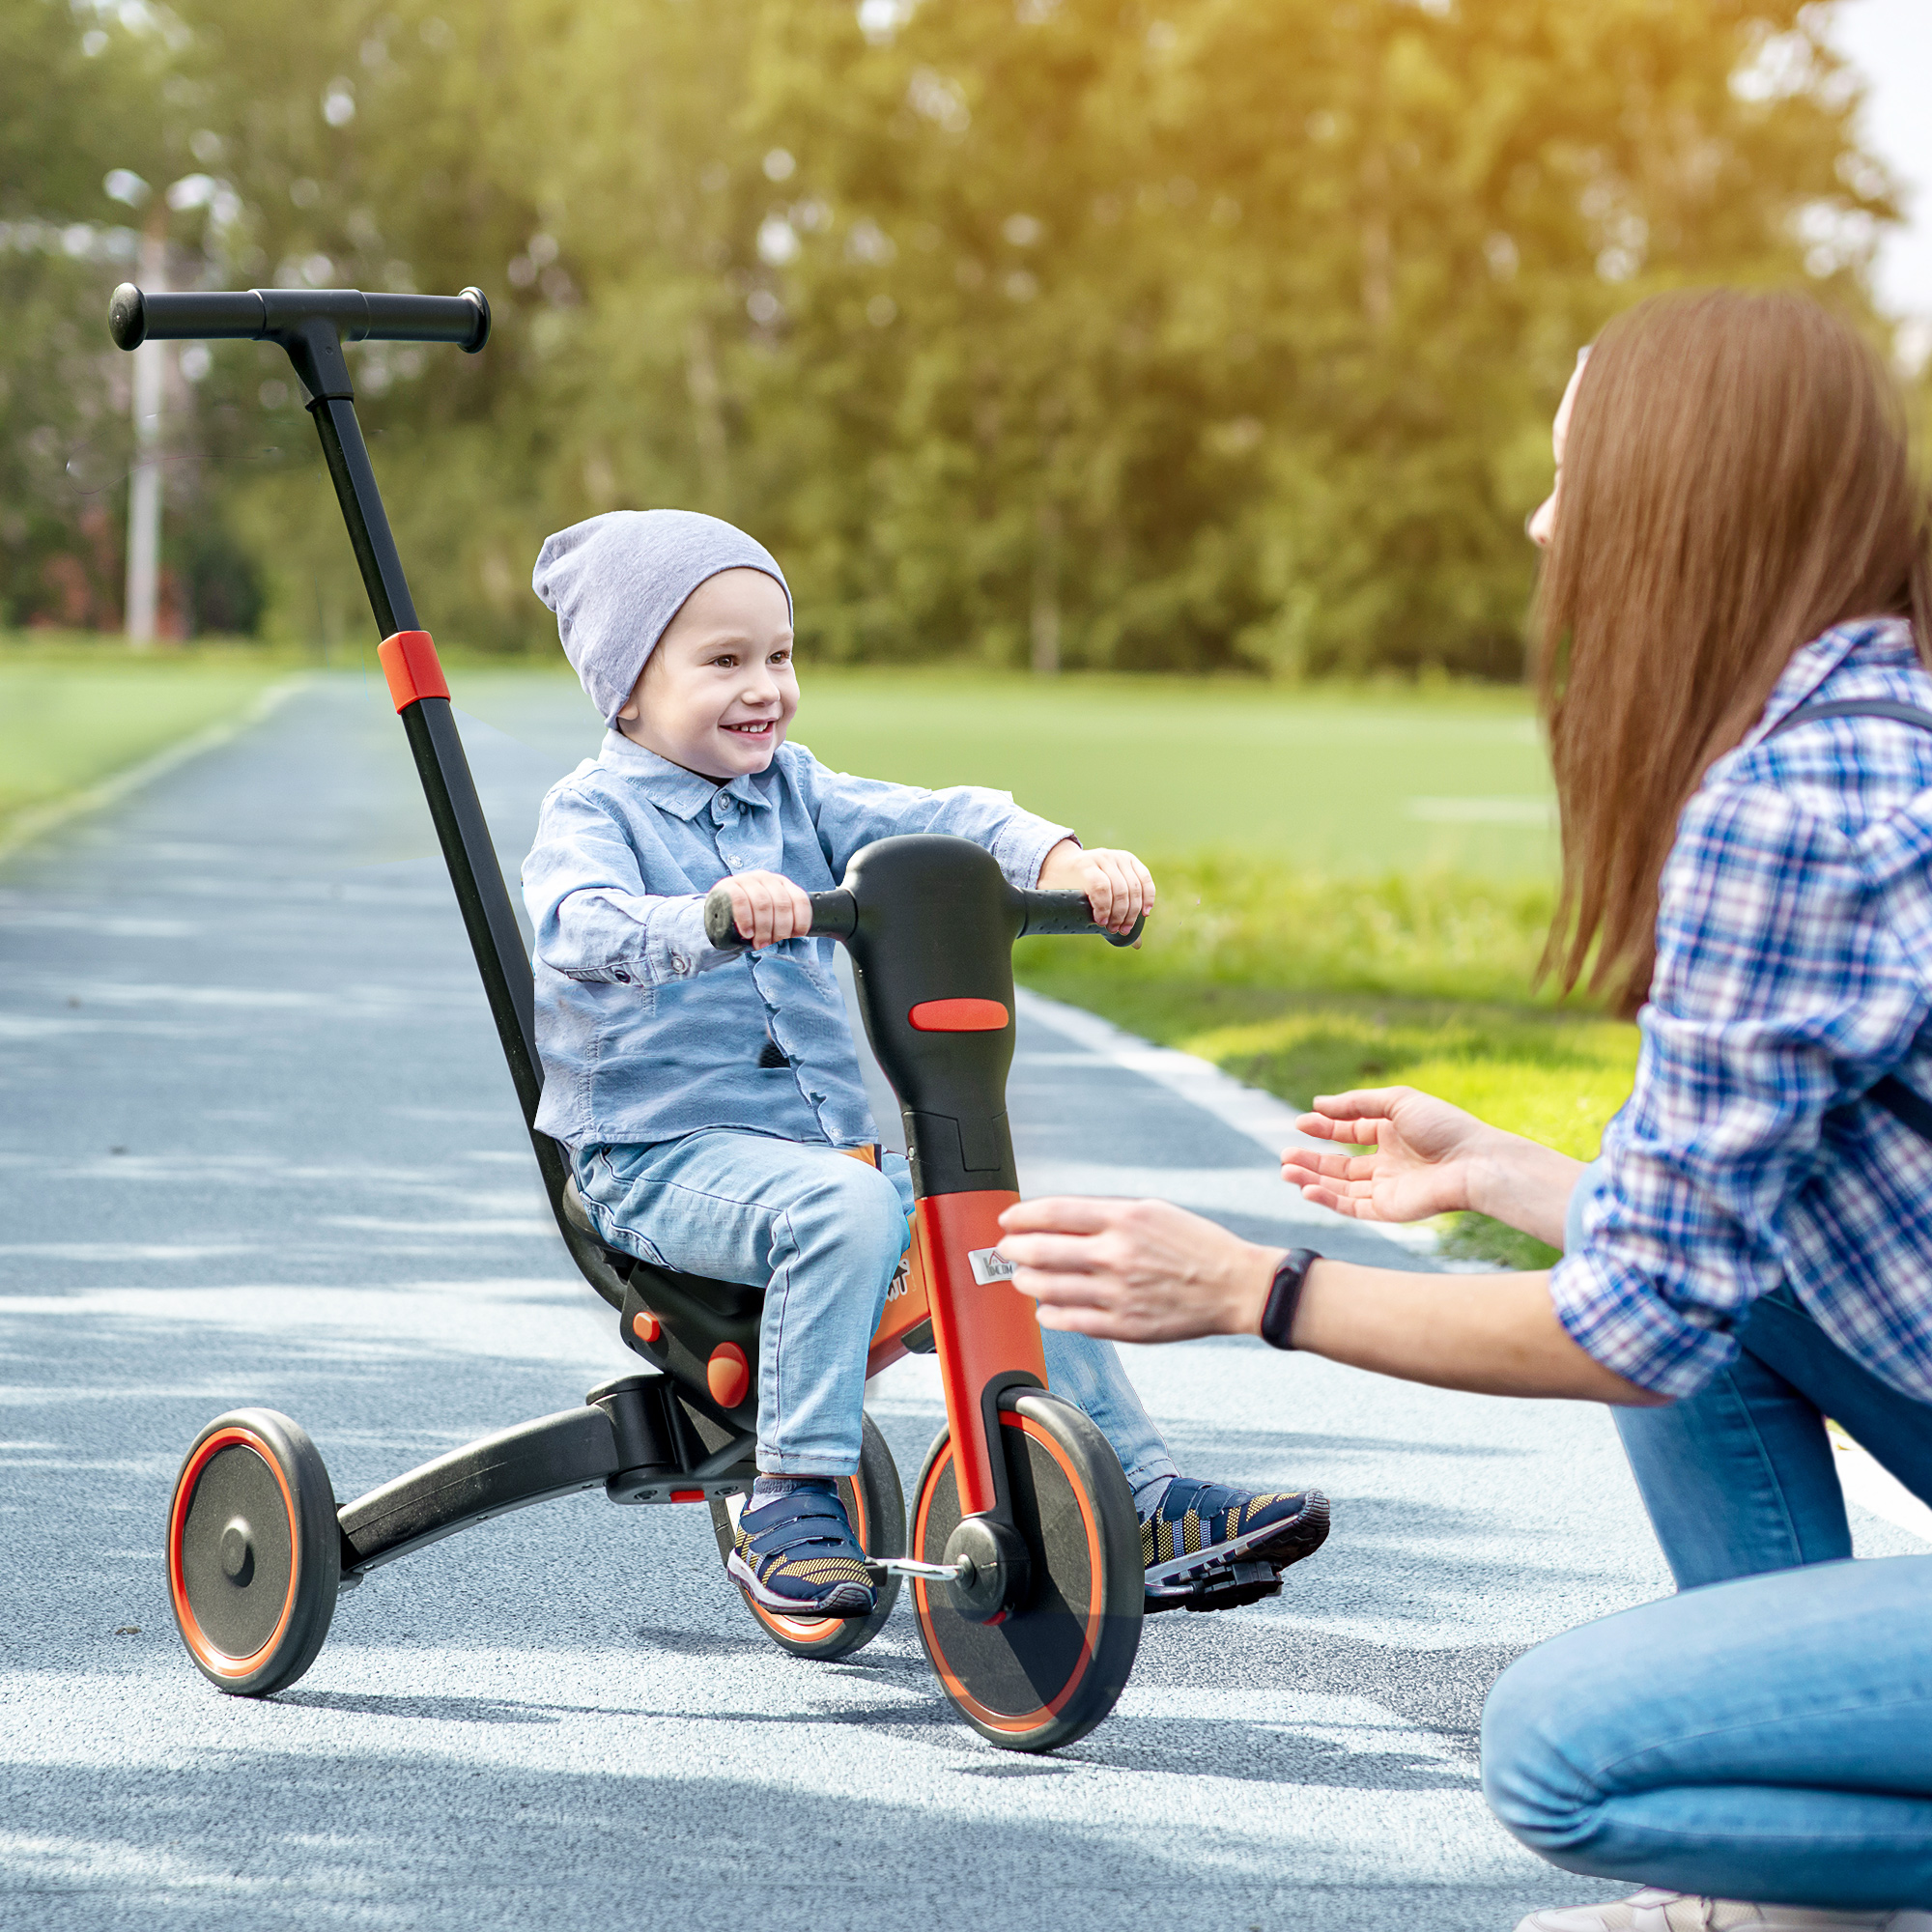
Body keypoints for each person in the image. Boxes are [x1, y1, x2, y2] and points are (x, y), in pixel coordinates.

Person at [993, 291, 1932, 1927]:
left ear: (1685, 502)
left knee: (1567, 1756)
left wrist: (1251, 1293)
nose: (1543, 524)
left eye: (1578, 477)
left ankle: (1785, 1880)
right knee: (1698, 1284)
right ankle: (1795, 1898)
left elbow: (1627, 1330)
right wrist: (1508, 1169)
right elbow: (1714, 1248)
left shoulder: (1789, 809)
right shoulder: (1875, 727)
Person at [521, 508, 1329, 1623]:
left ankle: (1133, 1498)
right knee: (846, 1203)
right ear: (625, 691)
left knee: (1006, 1225)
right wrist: (702, 917)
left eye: (779, 654)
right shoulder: (593, 813)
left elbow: (939, 818)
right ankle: (790, 1495)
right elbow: (577, 923)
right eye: (723, 661)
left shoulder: (793, 794)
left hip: (815, 1165)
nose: (765, 685)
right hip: (653, 1164)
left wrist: (1060, 858)